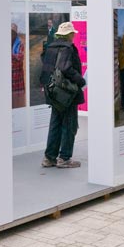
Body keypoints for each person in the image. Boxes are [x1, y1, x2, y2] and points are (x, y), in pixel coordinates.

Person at [40, 21, 86, 169]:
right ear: (69, 35)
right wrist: (80, 80)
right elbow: (65, 68)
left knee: (55, 123)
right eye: (72, 33)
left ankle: (49, 157)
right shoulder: (68, 48)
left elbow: (47, 68)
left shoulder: (50, 47)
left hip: (53, 91)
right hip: (66, 93)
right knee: (69, 124)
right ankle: (64, 158)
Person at [11, 24, 25, 108]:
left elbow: (21, 56)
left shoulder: (20, 43)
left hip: (17, 74)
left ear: (15, 33)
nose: (10, 34)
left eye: (12, 32)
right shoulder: (5, 42)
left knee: (17, 100)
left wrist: (11, 55)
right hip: (9, 74)